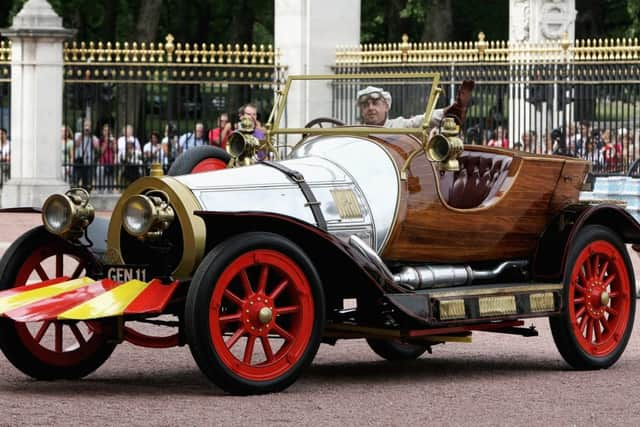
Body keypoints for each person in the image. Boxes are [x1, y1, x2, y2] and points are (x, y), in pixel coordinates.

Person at [356, 80, 474, 130]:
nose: (370, 108)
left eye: (375, 103)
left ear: (386, 107)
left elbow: (421, 121)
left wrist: (449, 111)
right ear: (361, 110)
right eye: (366, 105)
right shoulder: (355, 132)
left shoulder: (397, 126)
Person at [73, 118, 100, 190]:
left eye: (89, 126)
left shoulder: (94, 138)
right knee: (75, 182)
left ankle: (86, 194)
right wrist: (83, 133)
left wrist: (91, 136)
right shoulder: (77, 135)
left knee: (87, 183)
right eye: (85, 125)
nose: (87, 127)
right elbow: (77, 144)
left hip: (89, 162)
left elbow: (97, 148)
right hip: (79, 161)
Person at [97, 123, 117, 191]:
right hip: (102, 162)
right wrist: (106, 142)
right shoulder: (100, 140)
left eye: (107, 130)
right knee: (101, 181)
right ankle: (101, 190)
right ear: (102, 131)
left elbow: (115, 151)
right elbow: (101, 151)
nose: (106, 132)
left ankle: (110, 190)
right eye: (105, 130)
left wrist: (113, 143)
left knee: (110, 181)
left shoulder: (112, 139)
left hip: (110, 162)